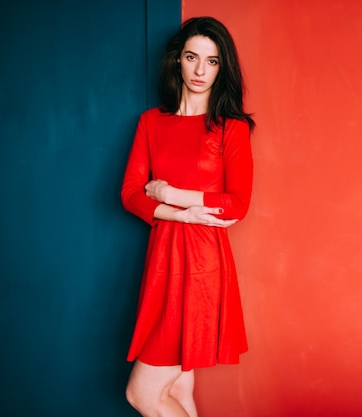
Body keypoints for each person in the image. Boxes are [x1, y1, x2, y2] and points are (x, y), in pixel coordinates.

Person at [121, 16, 255, 417]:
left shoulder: (231, 127)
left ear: (222, 67)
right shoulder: (150, 122)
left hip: (202, 267)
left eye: (212, 61)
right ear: (176, 60)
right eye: (192, 57)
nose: (200, 71)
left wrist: (168, 193)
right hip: (163, 259)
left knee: (142, 395)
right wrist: (185, 214)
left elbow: (237, 204)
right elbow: (129, 194)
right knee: (178, 392)